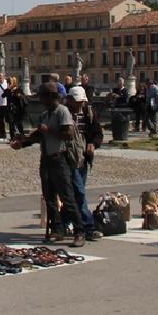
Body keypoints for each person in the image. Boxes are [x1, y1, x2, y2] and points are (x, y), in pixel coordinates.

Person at [10, 84, 86, 247]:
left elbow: (68, 134)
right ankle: (57, 230)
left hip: (60, 158)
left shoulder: (62, 111)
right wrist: (23, 141)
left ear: (51, 97)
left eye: (42, 97)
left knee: (67, 197)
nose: (41, 100)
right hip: (46, 159)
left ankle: (79, 231)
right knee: (49, 197)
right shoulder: (45, 114)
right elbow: (39, 136)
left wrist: (48, 130)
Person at [66, 86, 103, 241]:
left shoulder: (88, 112)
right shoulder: (64, 112)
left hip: (83, 158)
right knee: (79, 192)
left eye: (82, 102)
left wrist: (93, 144)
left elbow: (98, 133)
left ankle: (63, 223)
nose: (80, 105)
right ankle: (87, 226)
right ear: (70, 100)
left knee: (75, 193)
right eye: (77, 102)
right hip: (69, 157)